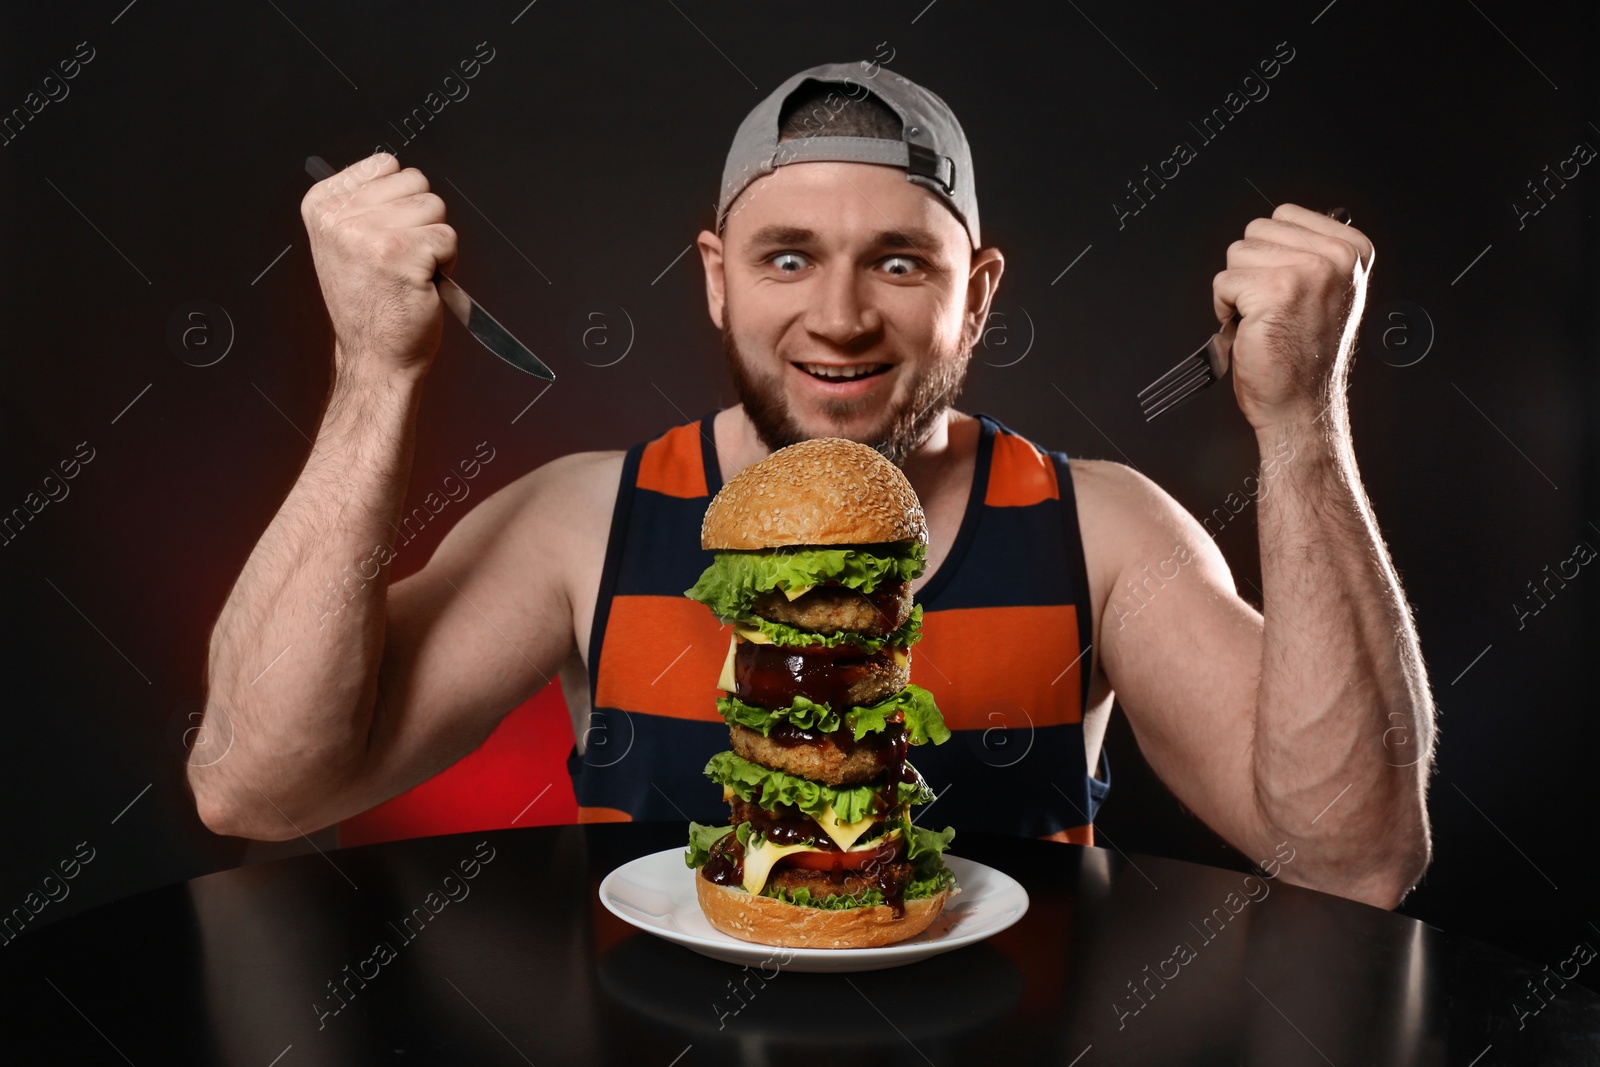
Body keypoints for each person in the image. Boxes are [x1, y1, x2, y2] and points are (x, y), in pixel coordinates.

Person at [190, 61, 1434, 908]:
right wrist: (374, 370)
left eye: (897, 261)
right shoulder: (590, 521)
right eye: (789, 257)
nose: (838, 319)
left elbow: (1353, 856)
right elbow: (258, 783)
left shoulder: (1094, 528)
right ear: (720, 276)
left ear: (979, 291)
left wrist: (1298, 418)